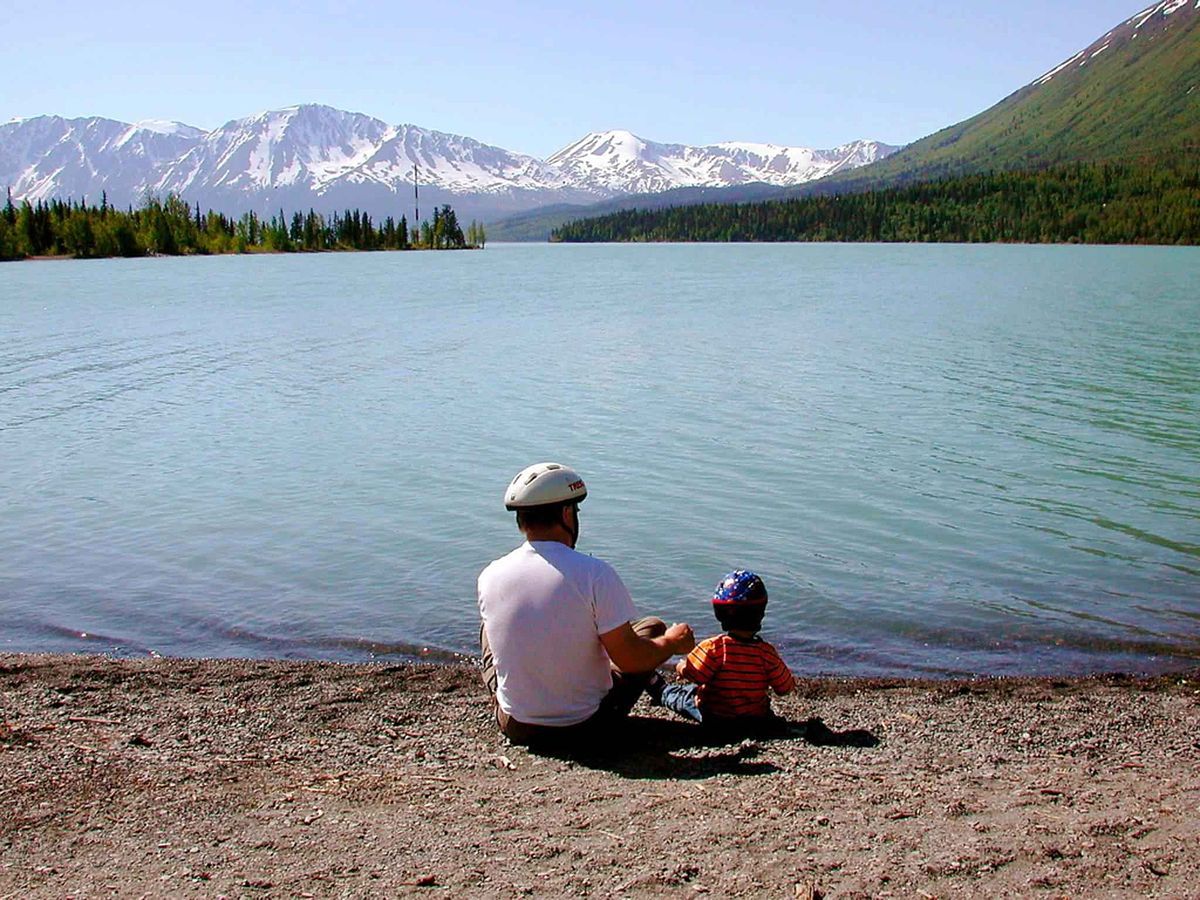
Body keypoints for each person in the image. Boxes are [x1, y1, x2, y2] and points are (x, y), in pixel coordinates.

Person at [477, 461, 695, 747]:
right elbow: (630, 661)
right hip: (586, 726)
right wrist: (671, 643)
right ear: (566, 513)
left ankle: (525, 697)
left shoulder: (491, 575)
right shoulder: (595, 574)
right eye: (576, 511)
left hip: (516, 725)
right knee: (652, 629)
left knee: (489, 629)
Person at [650, 569, 795, 729]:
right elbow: (785, 688)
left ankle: (660, 689)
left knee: (683, 697)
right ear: (761, 613)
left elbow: (695, 674)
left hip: (716, 716)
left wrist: (680, 666)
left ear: (720, 614)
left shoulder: (714, 648)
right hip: (754, 718)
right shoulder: (767, 654)